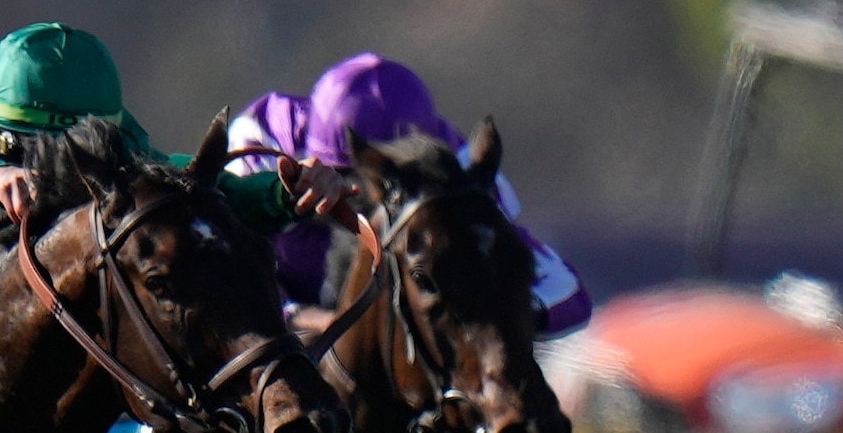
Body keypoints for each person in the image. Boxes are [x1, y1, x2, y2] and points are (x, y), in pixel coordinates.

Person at [230, 51, 586, 330]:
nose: (364, 198)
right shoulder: (263, 147)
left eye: (388, 189)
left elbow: (565, 290)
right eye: (349, 176)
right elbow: (215, 272)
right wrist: (302, 318)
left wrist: (497, 313)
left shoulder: (459, 177)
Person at [0, 20, 292, 240]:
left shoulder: (120, 145)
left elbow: (182, 182)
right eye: (25, 149)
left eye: (72, 157)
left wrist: (281, 192)